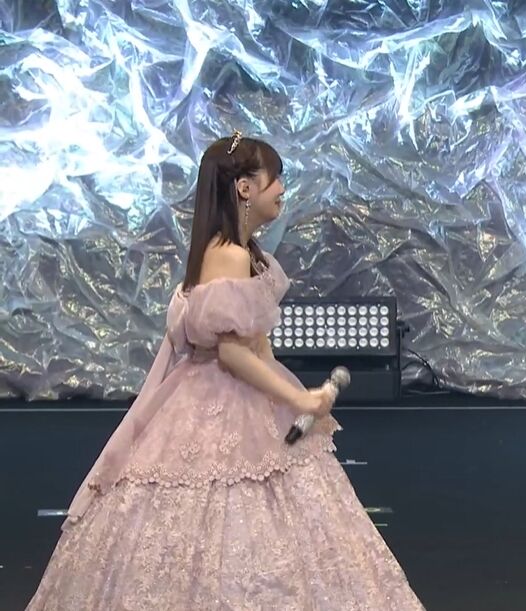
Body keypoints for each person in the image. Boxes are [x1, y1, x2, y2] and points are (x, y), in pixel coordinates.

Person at [27, 131, 425, 610]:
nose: (282, 188)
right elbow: (233, 354)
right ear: (244, 187)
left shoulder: (245, 253)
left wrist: (292, 396)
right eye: (275, 178)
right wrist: (299, 399)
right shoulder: (228, 254)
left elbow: (257, 347)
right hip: (213, 399)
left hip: (243, 397)